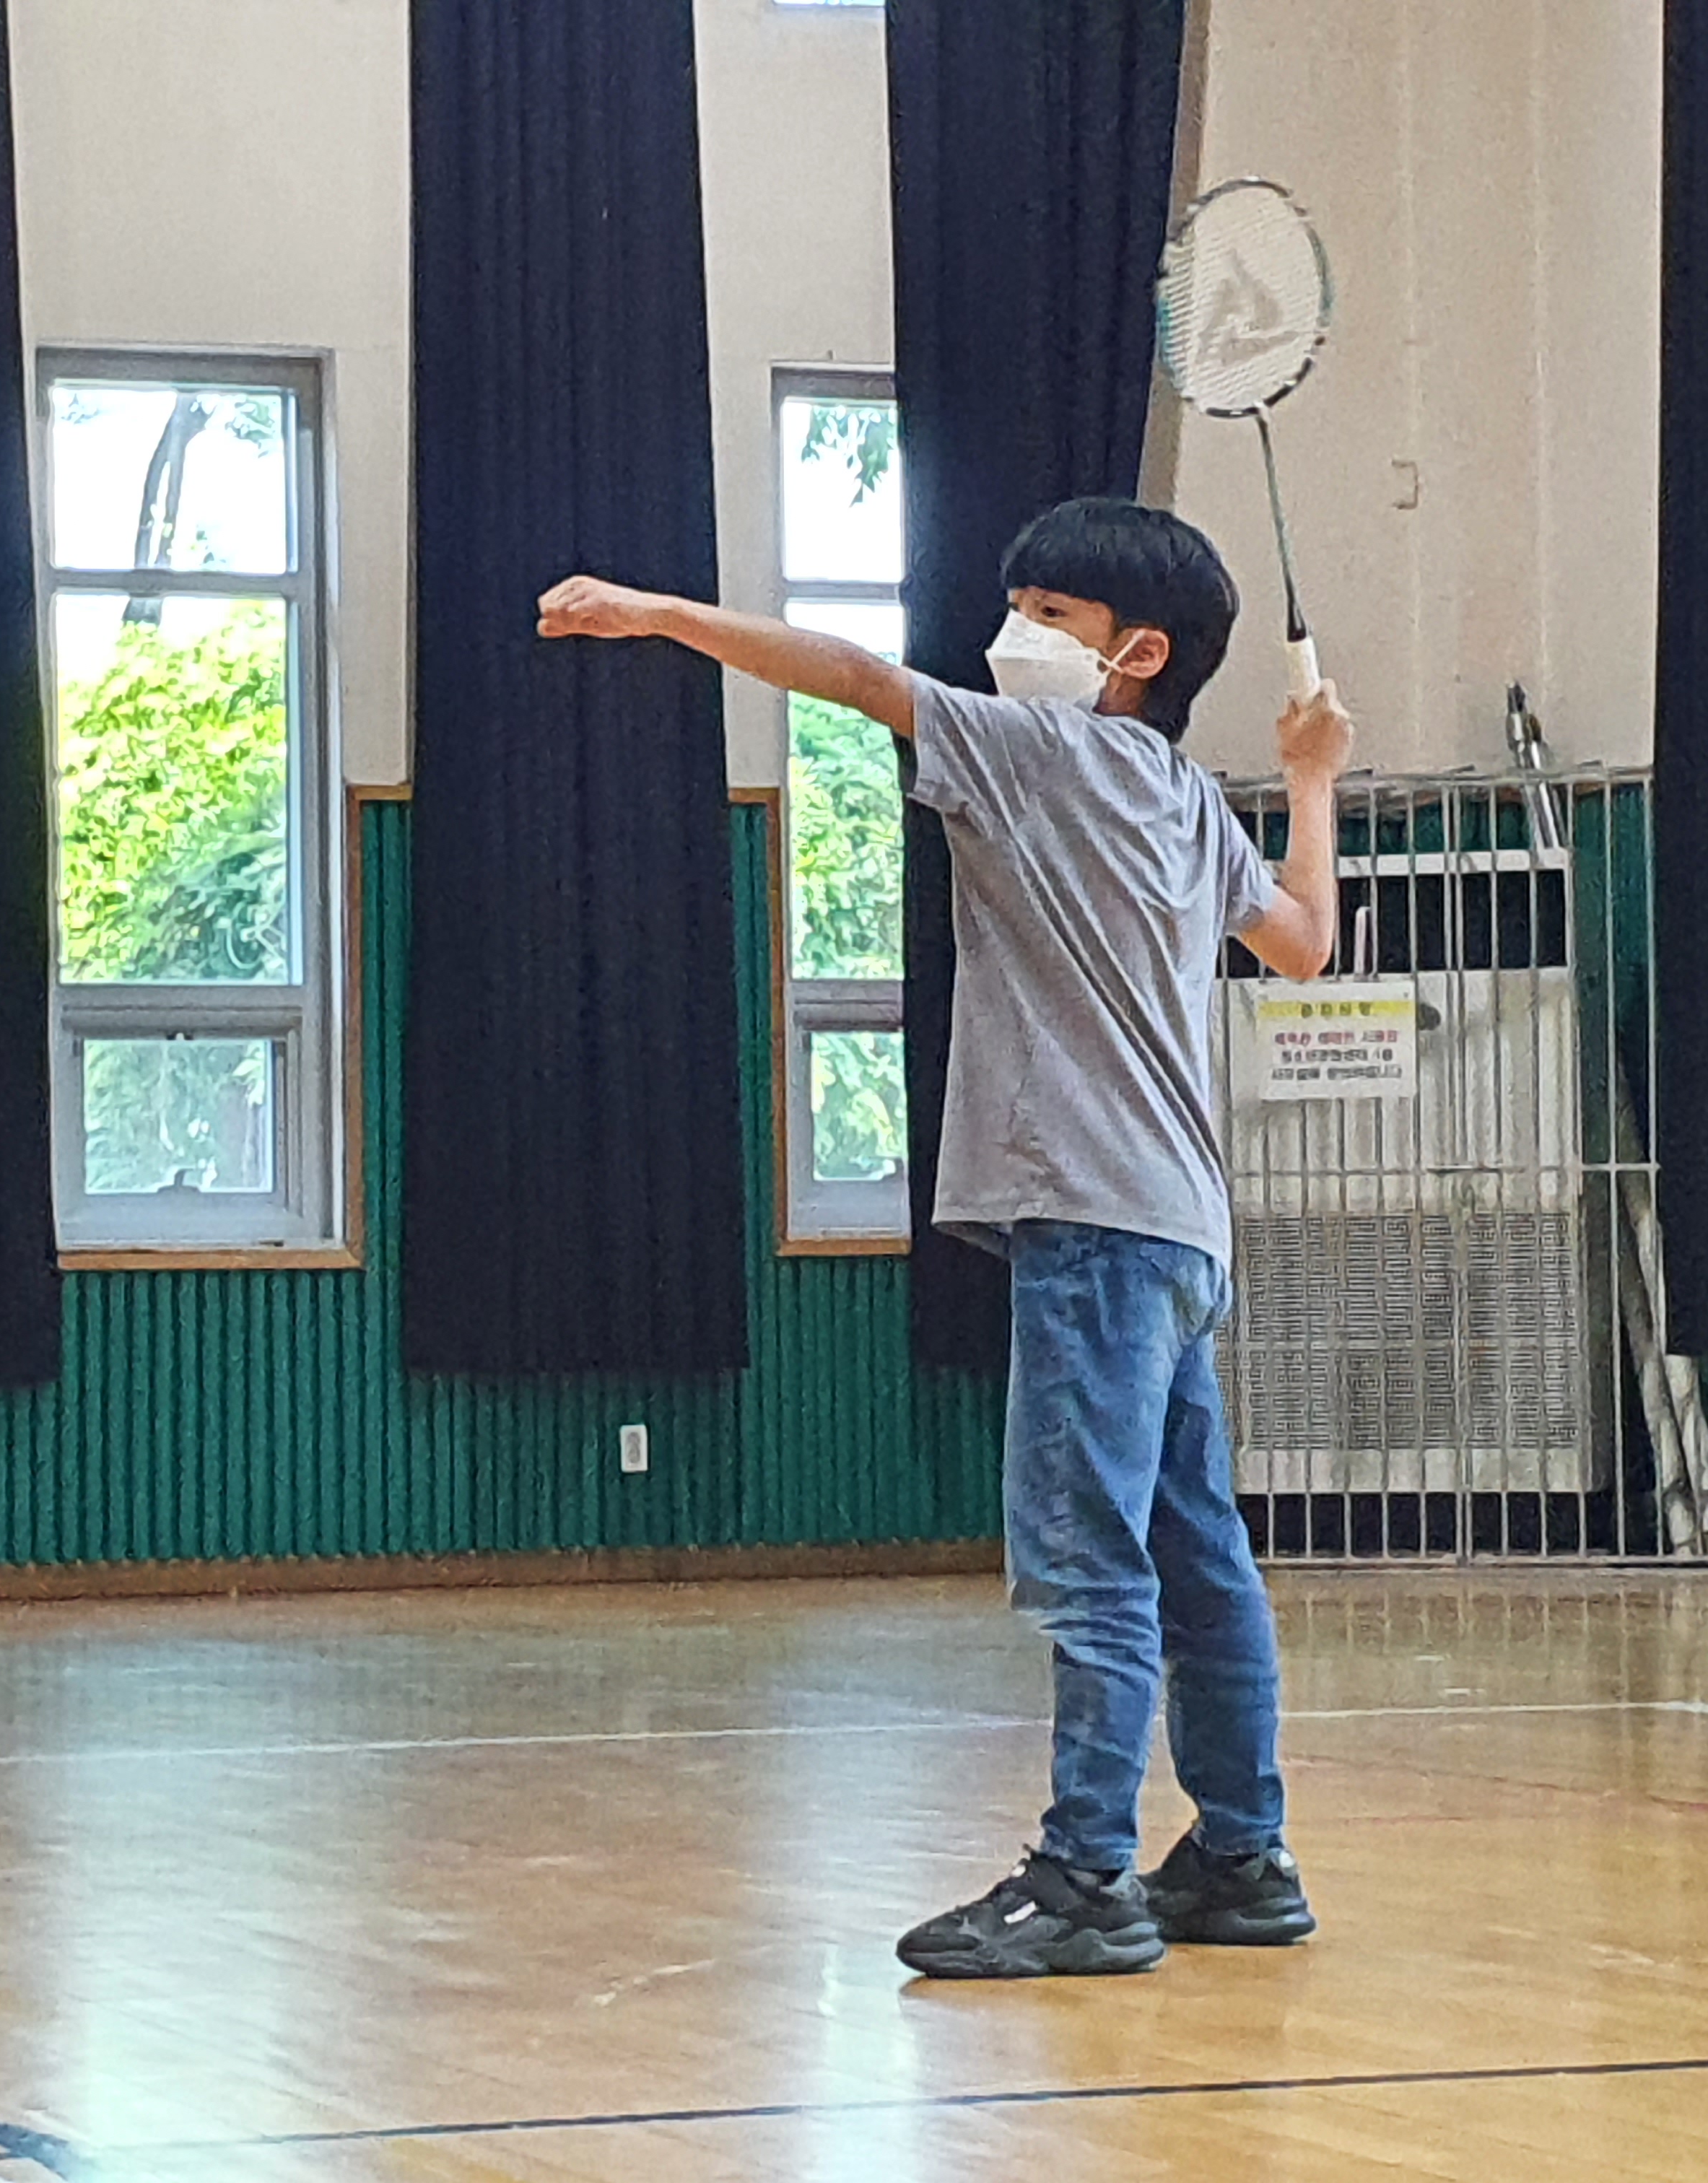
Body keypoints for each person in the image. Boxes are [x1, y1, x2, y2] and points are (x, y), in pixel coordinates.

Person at [539, 496, 1353, 1979]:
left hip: (1093, 1232)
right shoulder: (1188, 801)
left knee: (1088, 1562)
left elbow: (855, 675)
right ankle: (1243, 1857)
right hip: (1183, 1233)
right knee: (1200, 1556)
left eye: (1049, 614)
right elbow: (1304, 944)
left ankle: (1087, 1876)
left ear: (1136, 654)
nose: (1012, 633)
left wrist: (659, 614)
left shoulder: (1035, 750)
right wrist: (1311, 779)